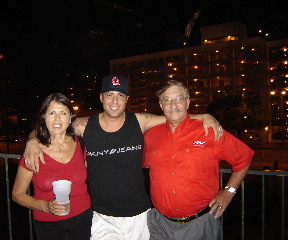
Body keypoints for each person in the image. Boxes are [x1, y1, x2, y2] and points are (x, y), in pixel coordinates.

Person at [24, 75, 223, 240]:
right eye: (109, 94)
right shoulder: (84, 125)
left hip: (140, 215)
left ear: (127, 99)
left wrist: (203, 116)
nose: (115, 101)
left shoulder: (140, 120)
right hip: (102, 217)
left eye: (120, 95)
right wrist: (32, 141)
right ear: (101, 97)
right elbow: (52, 125)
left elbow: (175, 116)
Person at [143, 80, 254, 240]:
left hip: (200, 224)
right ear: (161, 105)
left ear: (188, 102)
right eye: (167, 100)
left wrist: (229, 192)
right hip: (160, 225)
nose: (173, 104)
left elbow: (245, 157)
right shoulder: (151, 135)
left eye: (179, 99)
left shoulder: (209, 130)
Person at [12, 93, 92, 240]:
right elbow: (17, 194)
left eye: (63, 113)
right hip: (48, 224)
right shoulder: (33, 152)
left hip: (83, 219)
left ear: (70, 118)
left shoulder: (81, 144)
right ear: (44, 117)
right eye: (52, 113)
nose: (57, 119)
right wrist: (45, 206)